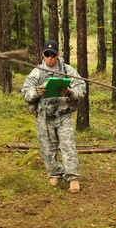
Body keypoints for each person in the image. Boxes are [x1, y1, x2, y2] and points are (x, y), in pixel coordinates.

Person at [21, 39, 87, 193]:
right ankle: (54, 173)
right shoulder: (36, 72)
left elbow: (81, 89)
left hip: (63, 115)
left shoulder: (67, 70)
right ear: (43, 55)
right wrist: (37, 92)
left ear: (58, 54)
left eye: (53, 54)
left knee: (68, 146)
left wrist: (70, 92)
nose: (50, 57)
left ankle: (73, 178)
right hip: (44, 116)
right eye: (47, 54)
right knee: (47, 148)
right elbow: (25, 94)